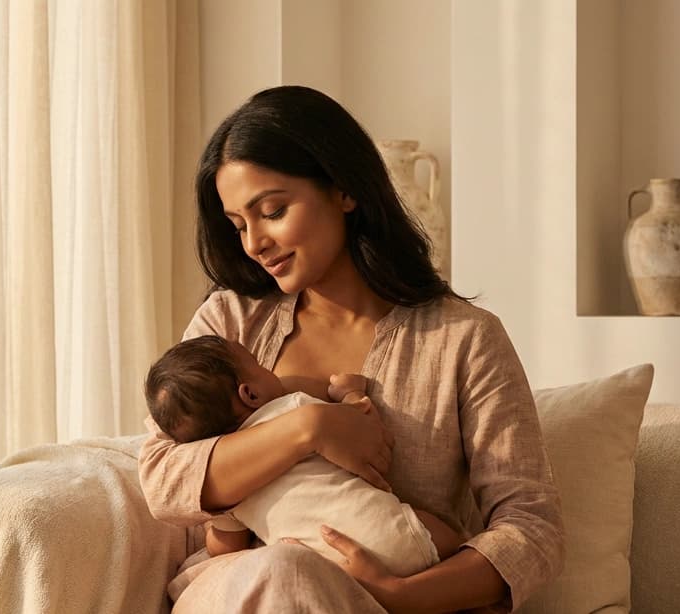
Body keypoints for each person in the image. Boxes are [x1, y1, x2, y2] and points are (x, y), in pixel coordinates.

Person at [137, 85, 564, 613]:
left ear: (343, 189)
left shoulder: (463, 339)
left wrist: (407, 594)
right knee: (283, 568)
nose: (253, 244)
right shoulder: (230, 322)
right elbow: (162, 477)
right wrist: (307, 428)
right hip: (238, 593)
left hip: (390, 604)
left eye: (272, 211)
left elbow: (530, 527)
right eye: (238, 225)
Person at [143, 334, 463, 576]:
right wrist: (351, 394)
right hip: (389, 532)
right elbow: (364, 430)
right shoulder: (292, 407)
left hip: (326, 566)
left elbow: (226, 547)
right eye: (259, 365)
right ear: (250, 394)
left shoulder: (228, 490)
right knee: (454, 539)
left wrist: (216, 529)